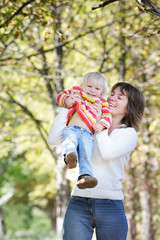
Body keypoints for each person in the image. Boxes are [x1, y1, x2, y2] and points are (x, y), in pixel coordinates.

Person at [48, 81, 145, 240]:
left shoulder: (128, 134)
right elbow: (53, 140)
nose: (112, 98)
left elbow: (108, 152)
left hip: (111, 206)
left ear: (130, 107)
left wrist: (98, 125)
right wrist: (70, 107)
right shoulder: (85, 125)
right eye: (112, 94)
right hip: (79, 202)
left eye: (120, 97)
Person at [56, 72, 112, 189]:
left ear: (102, 92)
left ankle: (85, 177)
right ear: (82, 85)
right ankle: (70, 155)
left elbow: (107, 116)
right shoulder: (76, 92)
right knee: (69, 140)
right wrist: (66, 100)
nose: (92, 90)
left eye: (97, 88)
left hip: (87, 133)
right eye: (89, 86)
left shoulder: (101, 102)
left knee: (86, 153)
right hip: (72, 128)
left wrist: (101, 124)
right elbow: (61, 95)